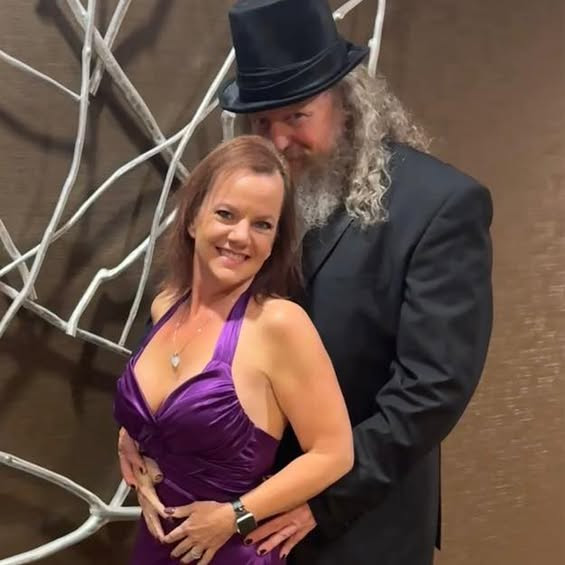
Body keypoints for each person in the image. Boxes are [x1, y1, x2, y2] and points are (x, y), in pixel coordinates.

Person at [119, 1, 494, 564]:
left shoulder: (439, 207)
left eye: (296, 116)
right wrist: (141, 428)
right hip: (226, 527)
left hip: (357, 524)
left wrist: (322, 501)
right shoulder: (254, 201)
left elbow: (431, 389)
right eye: (262, 123)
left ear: (347, 101)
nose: (278, 142)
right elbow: (191, 322)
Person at [114, 134, 354, 564]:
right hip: (154, 547)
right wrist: (131, 437)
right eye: (226, 214)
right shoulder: (166, 305)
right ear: (193, 219)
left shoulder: (279, 325)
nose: (241, 236)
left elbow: (334, 453)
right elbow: (163, 411)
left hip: (232, 552)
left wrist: (235, 517)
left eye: (262, 224)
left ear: (275, 240)